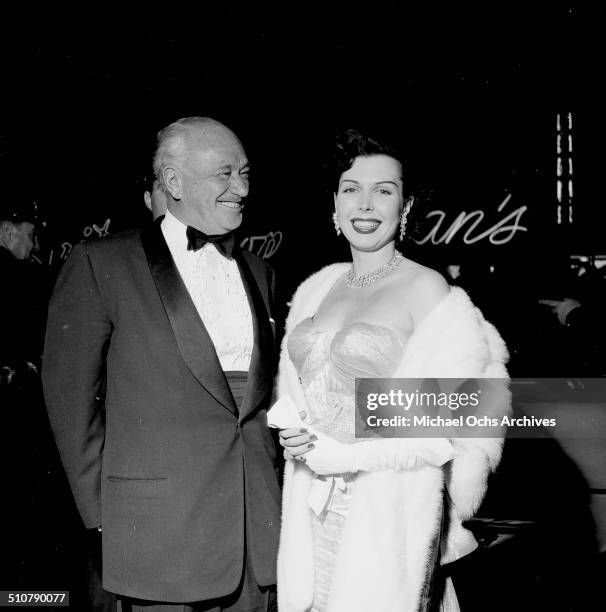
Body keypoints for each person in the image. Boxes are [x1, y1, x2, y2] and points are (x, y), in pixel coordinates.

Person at [42, 117, 280, 611]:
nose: (242, 188)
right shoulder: (102, 263)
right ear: (172, 182)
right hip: (157, 543)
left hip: (258, 547)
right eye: (225, 174)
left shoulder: (261, 272)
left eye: (246, 173)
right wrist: (105, 513)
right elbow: (69, 399)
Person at [270, 129, 510, 611]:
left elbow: (465, 414)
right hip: (309, 509)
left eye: (383, 191)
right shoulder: (318, 288)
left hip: (388, 514)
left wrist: (350, 452)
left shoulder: (427, 289)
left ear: (405, 208)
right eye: (351, 189)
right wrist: (292, 431)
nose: (365, 205)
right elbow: (297, 394)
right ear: (333, 205)